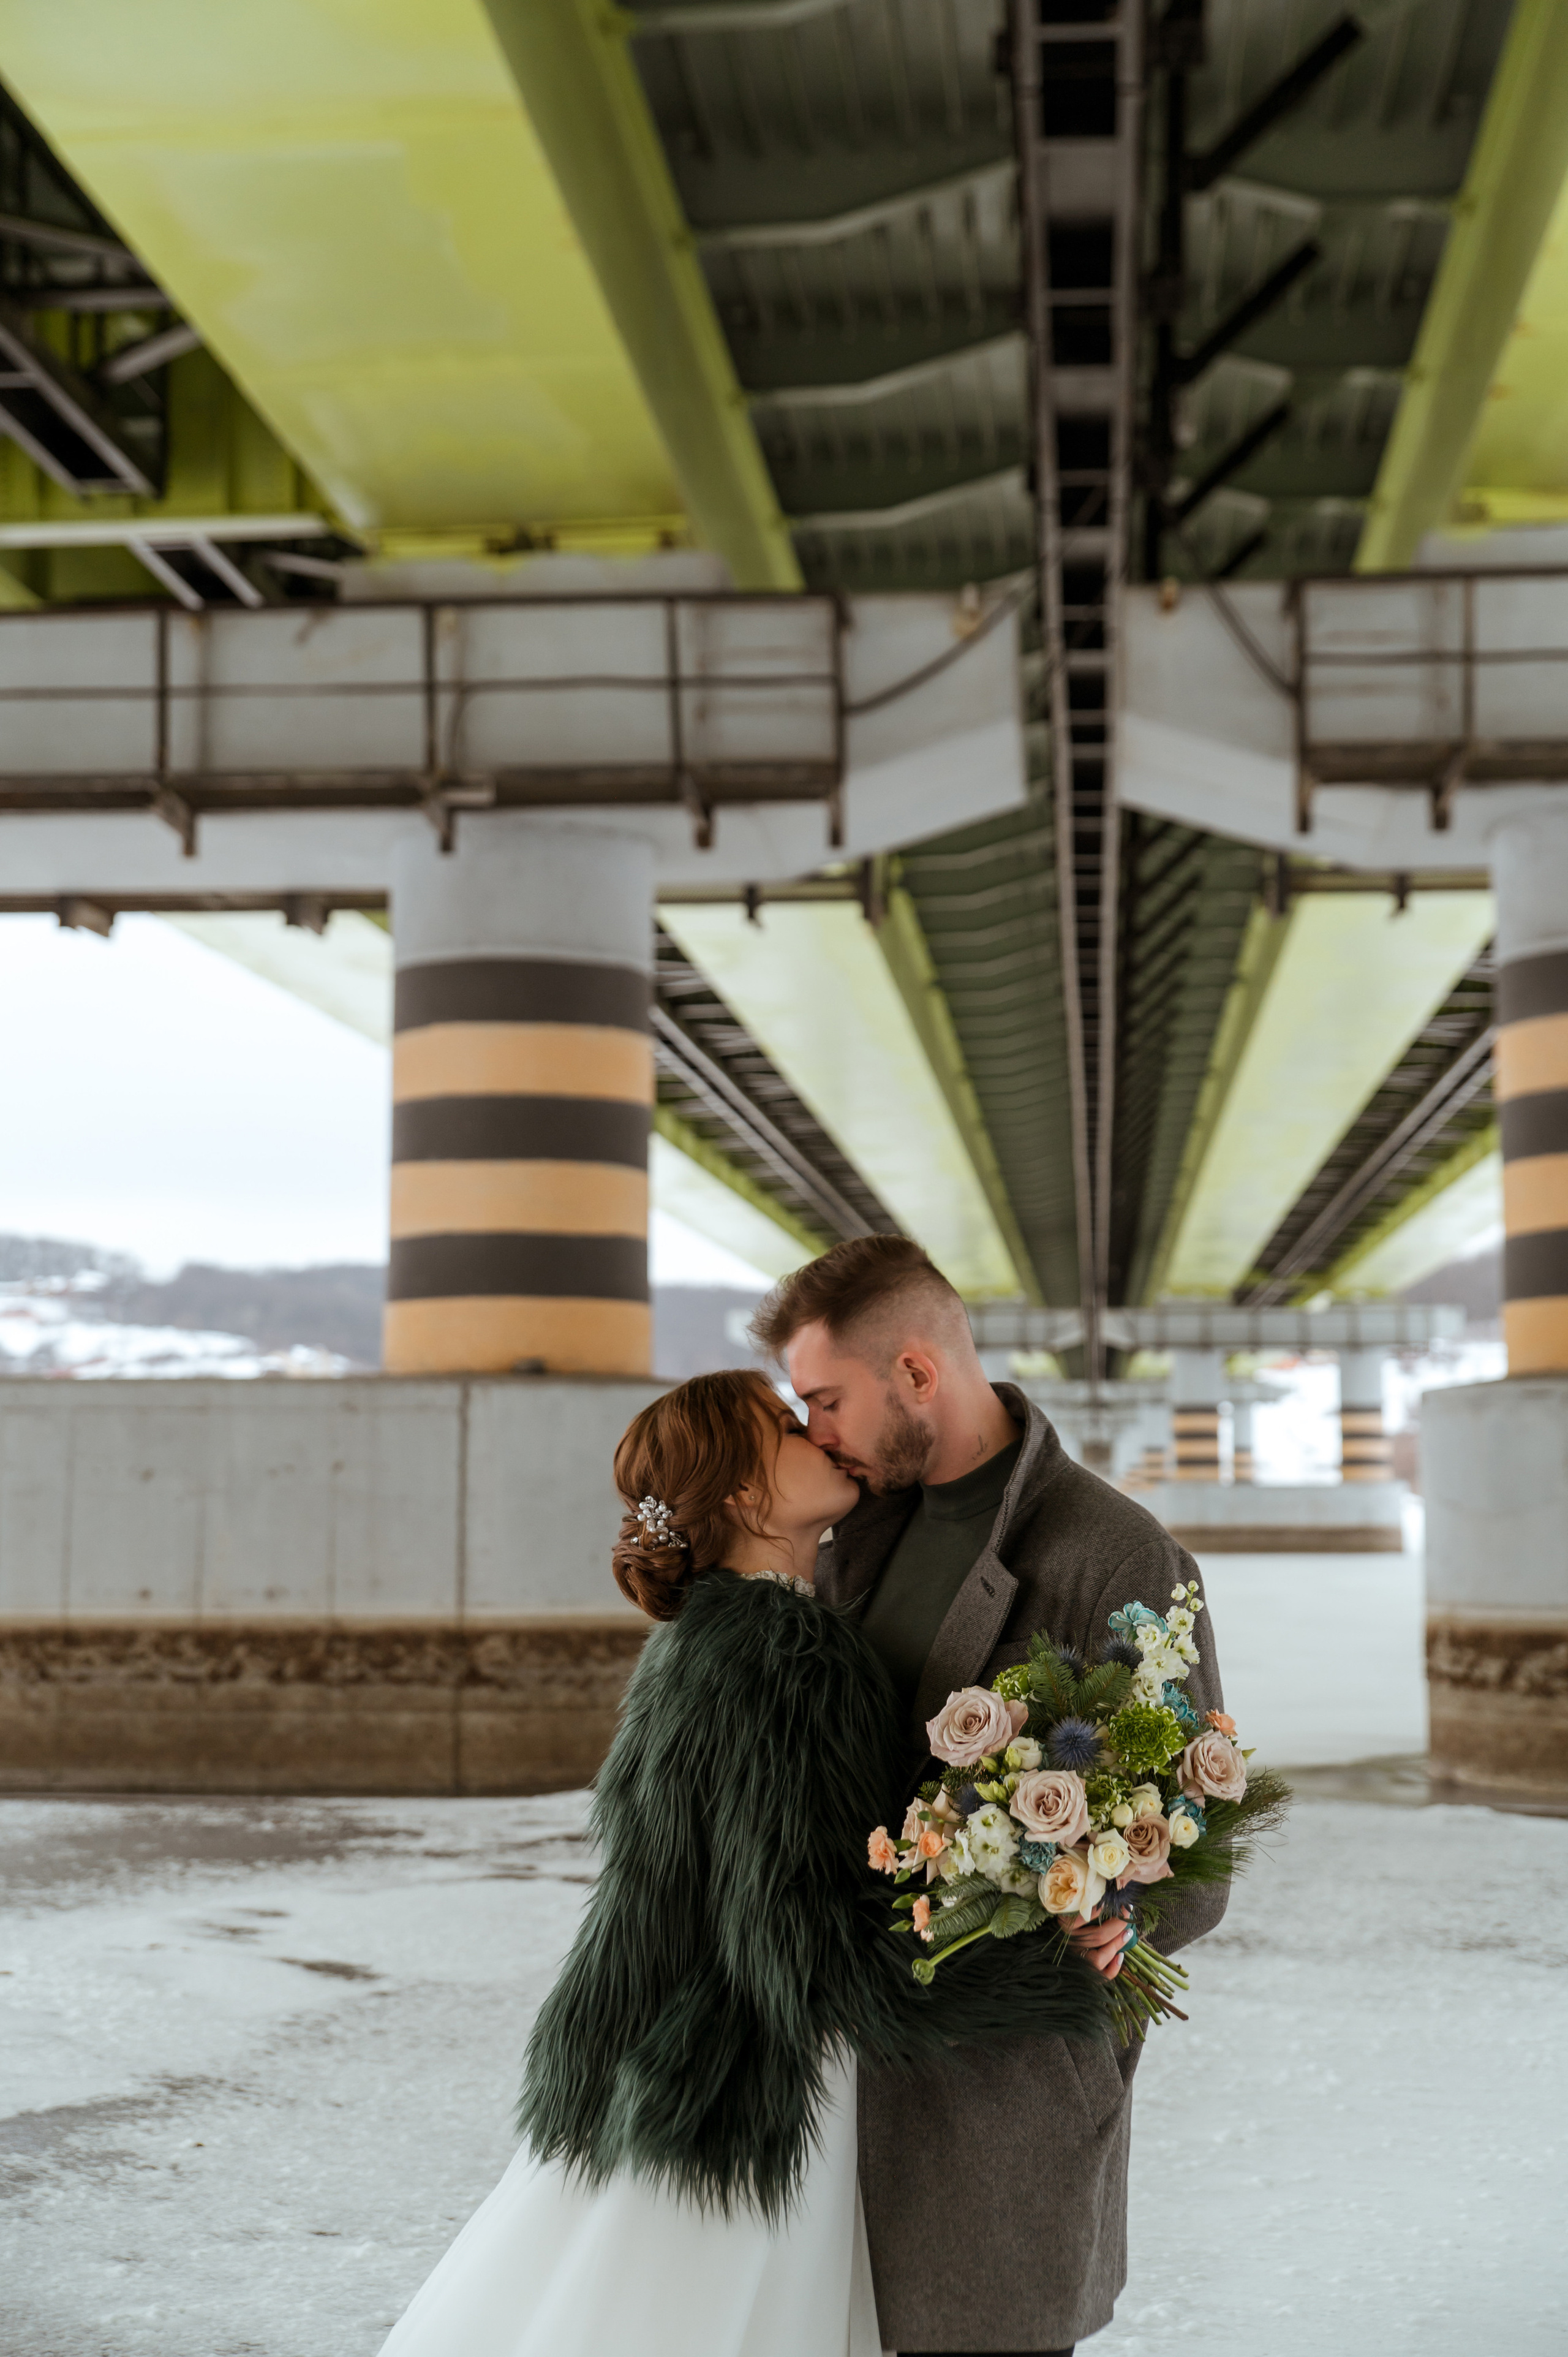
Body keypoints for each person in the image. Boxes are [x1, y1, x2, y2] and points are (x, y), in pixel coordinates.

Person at [375, 1367, 1110, 2357]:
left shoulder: (700, 1643)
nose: (818, 1431)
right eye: (784, 1426)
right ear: (742, 1494)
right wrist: (1053, 1972)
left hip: (658, 2063)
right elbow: (802, 1945)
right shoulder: (786, 1655)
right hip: (750, 2095)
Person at [750, 1236, 1231, 2357]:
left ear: (917, 1374)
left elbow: (1196, 1844)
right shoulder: (845, 1541)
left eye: (826, 1399)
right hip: (826, 2102)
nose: (813, 1430)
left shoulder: (1119, 1555)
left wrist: (1114, 1909)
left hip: (1001, 2115)